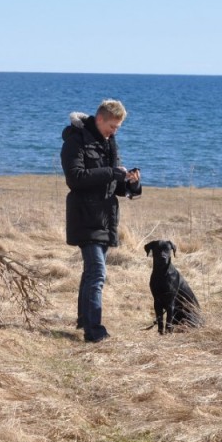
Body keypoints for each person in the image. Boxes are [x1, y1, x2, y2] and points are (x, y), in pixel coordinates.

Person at [61, 99, 142, 343]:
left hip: (105, 217)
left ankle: (84, 320)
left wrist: (131, 184)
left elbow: (113, 185)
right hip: (84, 215)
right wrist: (111, 172)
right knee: (97, 273)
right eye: (113, 126)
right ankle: (94, 331)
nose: (115, 131)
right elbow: (75, 178)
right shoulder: (75, 141)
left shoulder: (108, 144)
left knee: (91, 273)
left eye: (118, 128)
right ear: (100, 119)